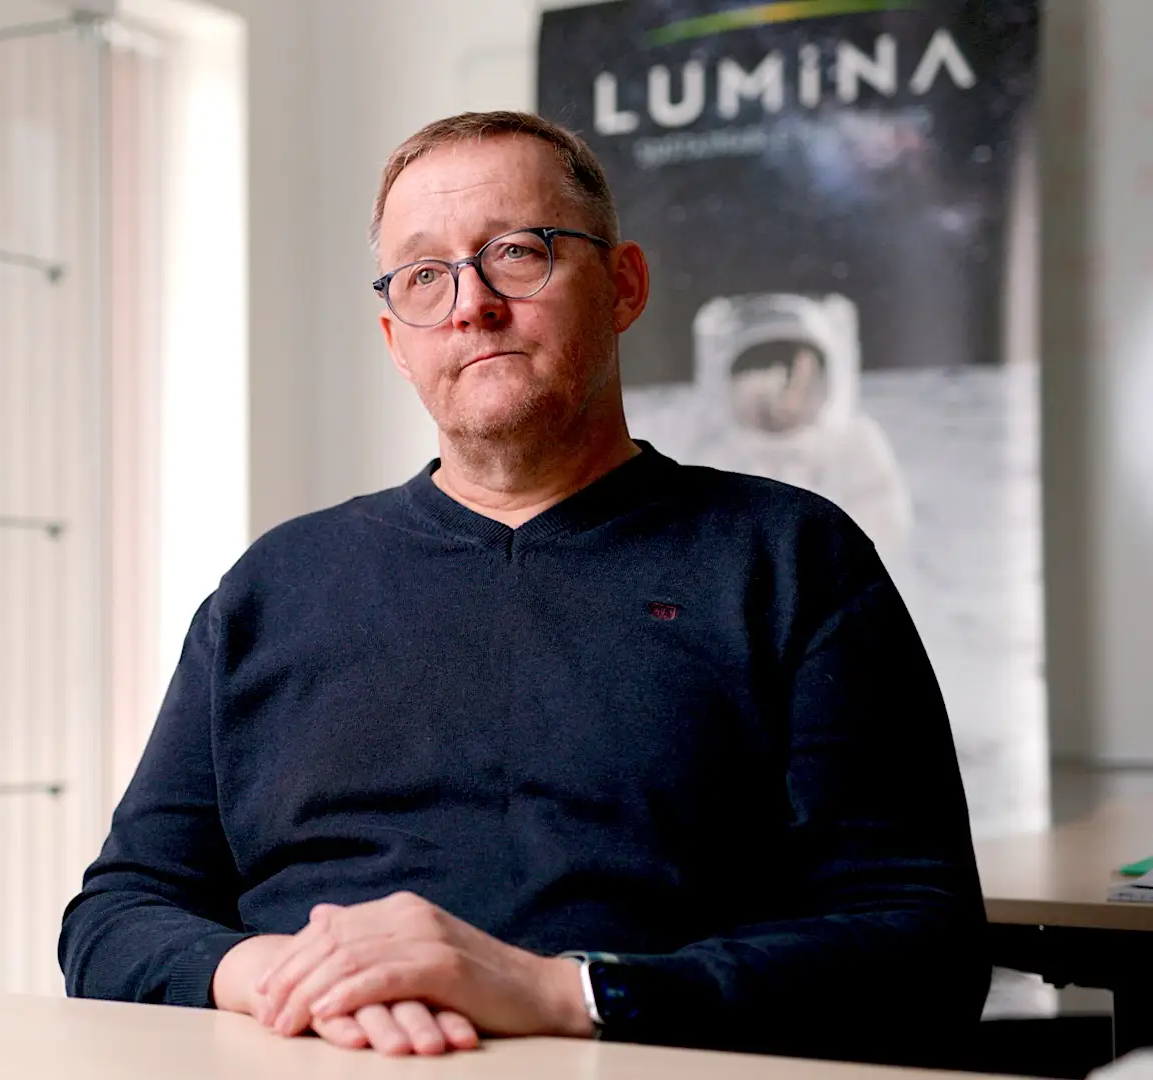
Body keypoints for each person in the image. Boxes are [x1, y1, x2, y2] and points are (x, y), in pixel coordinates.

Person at [57, 111, 987, 1064]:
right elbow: (114, 919)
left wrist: (561, 991)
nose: (471, 304)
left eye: (517, 252)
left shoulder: (790, 558)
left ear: (623, 286)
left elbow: (924, 948)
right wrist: (284, 975)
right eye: (426, 276)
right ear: (395, 337)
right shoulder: (272, 588)